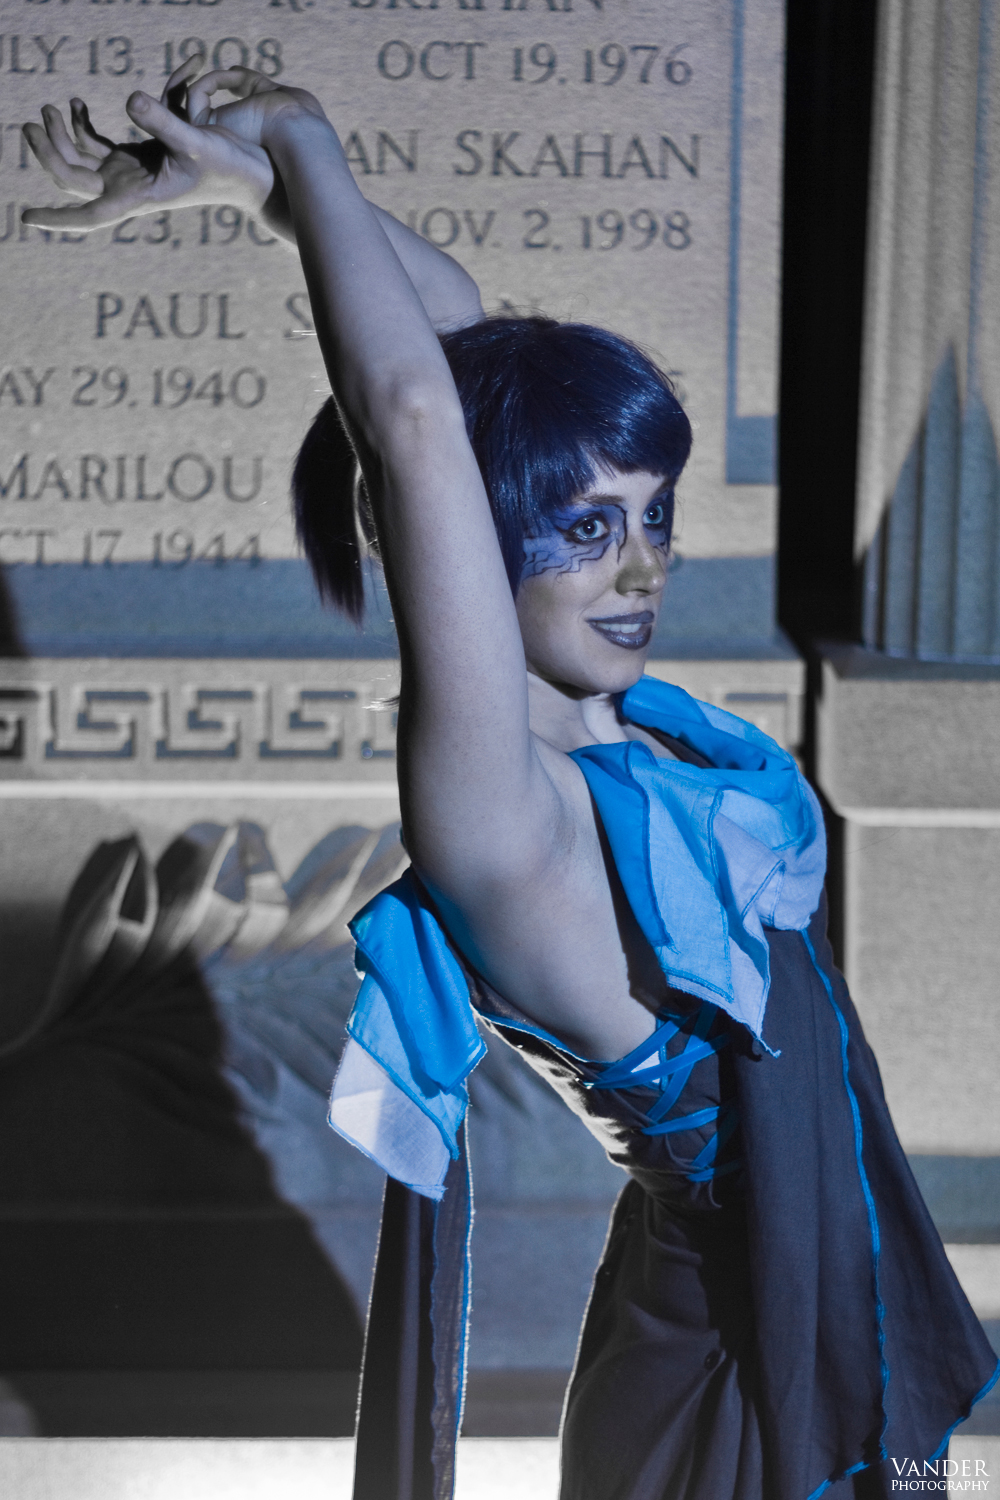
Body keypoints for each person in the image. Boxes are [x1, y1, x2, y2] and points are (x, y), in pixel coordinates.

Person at [24, 64, 998, 1500]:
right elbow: (420, 416)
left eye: (654, 516)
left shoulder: (622, 743)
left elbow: (456, 327)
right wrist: (295, 127)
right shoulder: (501, 814)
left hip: (789, 1306)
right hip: (737, 1369)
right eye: (587, 528)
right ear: (469, 546)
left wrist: (265, 195)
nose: (644, 567)